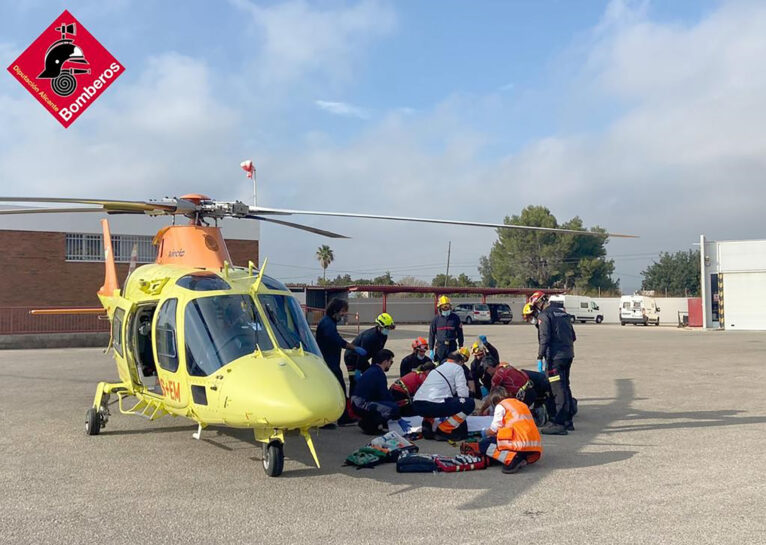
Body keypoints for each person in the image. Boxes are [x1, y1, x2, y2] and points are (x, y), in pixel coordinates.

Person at [315, 298, 367, 425]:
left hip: (331, 362)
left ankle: (331, 419)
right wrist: (354, 348)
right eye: (343, 311)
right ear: (335, 310)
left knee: (333, 390)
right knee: (338, 390)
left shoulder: (330, 322)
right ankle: (340, 418)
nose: (344, 314)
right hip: (328, 364)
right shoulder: (327, 324)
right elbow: (337, 340)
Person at [533, 290, 576, 435]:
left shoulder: (544, 315)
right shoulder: (563, 313)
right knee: (565, 386)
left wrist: (540, 356)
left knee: (556, 389)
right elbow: (573, 336)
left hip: (555, 358)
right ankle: (568, 420)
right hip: (568, 355)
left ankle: (559, 423)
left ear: (539, 302)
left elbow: (544, 338)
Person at [474, 387, 543, 474]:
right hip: (531, 447)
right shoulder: (521, 404)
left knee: (484, 444)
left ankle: (512, 458)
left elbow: (494, 429)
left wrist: (484, 433)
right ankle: (521, 457)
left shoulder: (501, 405)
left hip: (518, 444)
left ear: (495, 401)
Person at [412, 348, 475, 441]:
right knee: (469, 403)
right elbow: (463, 394)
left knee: (435, 404)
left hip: (418, 404)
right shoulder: (458, 368)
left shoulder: (436, 370)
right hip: (434, 404)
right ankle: (444, 429)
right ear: (460, 362)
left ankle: (428, 427)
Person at [344, 313, 395, 395]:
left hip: (363, 358)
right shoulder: (369, 337)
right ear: (380, 326)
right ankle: (352, 402)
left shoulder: (383, 336)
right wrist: (358, 370)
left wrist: (377, 367)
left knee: (372, 376)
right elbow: (361, 355)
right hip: (351, 357)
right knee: (354, 381)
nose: (388, 329)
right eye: (387, 327)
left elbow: (377, 353)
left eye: (390, 327)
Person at [350, 349, 400, 435]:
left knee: (384, 406)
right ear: (385, 362)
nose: (390, 365)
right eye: (390, 362)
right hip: (361, 403)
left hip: (356, 402)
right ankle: (370, 425)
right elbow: (383, 394)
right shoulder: (378, 373)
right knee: (393, 408)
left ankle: (368, 421)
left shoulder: (371, 370)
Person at [428, 296, 464, 363]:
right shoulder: (435, 320)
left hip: (452, 346)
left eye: (447, 306)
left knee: (453, 364)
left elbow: (460, 333)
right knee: (439, 365)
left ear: (450, 307)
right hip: (440, 347)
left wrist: (461, 346)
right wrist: (431, 349)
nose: (446, 308)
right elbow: (431, 335)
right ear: (440, 308)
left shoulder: (455, 318)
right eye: (444, 307)